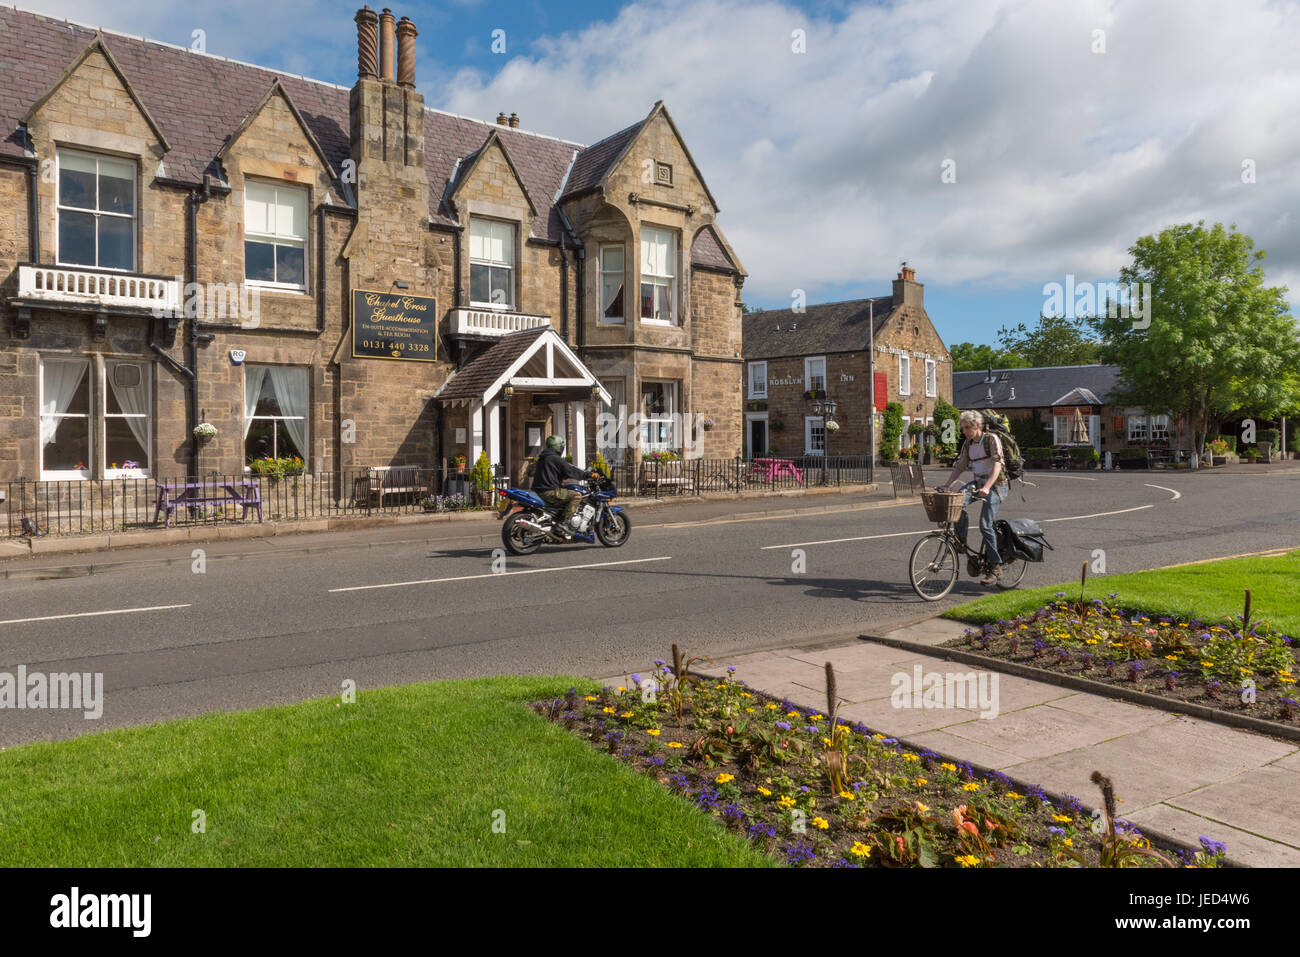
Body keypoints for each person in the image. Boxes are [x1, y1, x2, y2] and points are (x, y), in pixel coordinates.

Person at [937, 410, 1009, 585]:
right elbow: (960, 467)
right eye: (962, 428)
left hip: (997, 485)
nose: (964, 431)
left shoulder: (991, 440)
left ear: (977, 425)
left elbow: (998, 466)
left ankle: (995, 565)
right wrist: (947, 485)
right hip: (978, 483)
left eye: (967, 427)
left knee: (985, 524)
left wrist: (987, 487)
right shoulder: (968, 445)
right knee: (956, 504)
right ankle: (962, 541)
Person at [530, 435, 599, 538]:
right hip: (549, 492)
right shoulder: (555, 458)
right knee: (576, 495)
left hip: (540, 491)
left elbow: (559, 472)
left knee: (566, 492)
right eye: (562, 446)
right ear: (558, 446)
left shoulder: (543, 457)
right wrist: (589, 475)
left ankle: (558, 520)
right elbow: (570, 470)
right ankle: (565, 524)